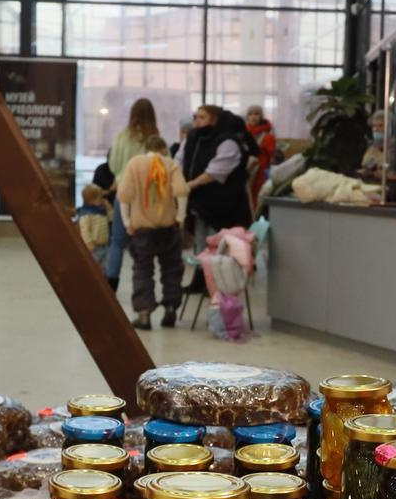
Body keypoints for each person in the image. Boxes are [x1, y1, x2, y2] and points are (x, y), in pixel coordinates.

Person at [117, 131, 185, 329]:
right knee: (172, 269)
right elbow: (181, 192)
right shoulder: (171, 164)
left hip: (142, 230)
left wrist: (127, 220)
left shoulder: (134, 163)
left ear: (146, 149)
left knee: (142, 270)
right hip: (168, 228)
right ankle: (170, 309)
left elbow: (124, 195)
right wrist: (181, 217)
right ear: (164, 149)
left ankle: (144, 314)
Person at [103, 97, 160, 291]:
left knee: (117, 242)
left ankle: (111, 284)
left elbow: (113, 165)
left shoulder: (122, 137)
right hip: (145, 197)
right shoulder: (154, 140)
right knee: (143, 243)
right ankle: (142, 286)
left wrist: (120, 175)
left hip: (123, 193)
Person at [179, 102, 254, 238]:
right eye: (196, 117)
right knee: (201, 246)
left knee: (222, 247)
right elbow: (179, 161)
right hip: (197, 204)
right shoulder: (192, 138)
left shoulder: (228, 142)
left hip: (224, 207)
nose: (197, 121)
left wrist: (190, 185)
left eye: (202, 117)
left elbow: (214, 173)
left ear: (214, 120)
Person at [242, 102, 277, 208]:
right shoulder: (242, 133)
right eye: (250, 114)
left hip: (260, 172)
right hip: (244, 170)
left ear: (261, 116)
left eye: (256, 114)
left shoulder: (268, 137)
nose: (253, 117)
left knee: (257, 200)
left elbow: (272, 157)